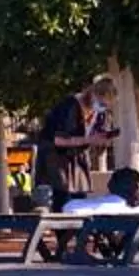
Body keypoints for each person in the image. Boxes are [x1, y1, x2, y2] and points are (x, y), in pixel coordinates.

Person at [37, 80, 101, 209]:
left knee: (79, 205)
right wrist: (88, 140)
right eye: (102, 102)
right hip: (59, 164)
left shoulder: (96, 113)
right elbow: (59, 140)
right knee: (63, 203)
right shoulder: (69, 107)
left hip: (77, 164)